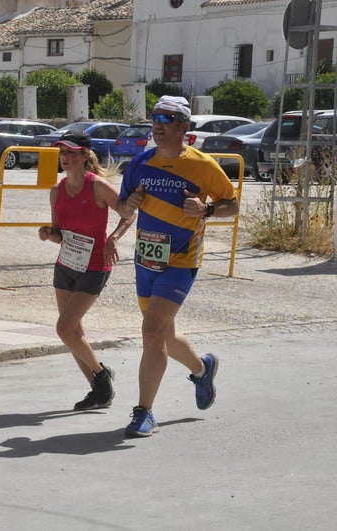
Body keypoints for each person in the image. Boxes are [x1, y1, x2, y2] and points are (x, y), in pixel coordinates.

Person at [116, 96, 239, 437]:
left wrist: (208, 211)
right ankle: (202, 370)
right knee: (164, 334)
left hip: (182, 259)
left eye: (167, 118)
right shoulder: (140, 163)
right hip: (146, 259)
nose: (158, 123)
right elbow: (123, 208)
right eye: (155, 116)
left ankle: (144, 413)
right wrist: (131, 203)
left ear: (183, 126)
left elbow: (232, 205)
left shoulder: (203, 165)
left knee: (152, 331)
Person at [38, 132, 134, 411]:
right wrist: (47, 233)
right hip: (66, 264)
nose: (65, 158)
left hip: (94, 265)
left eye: (70, 153)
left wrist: (113, 238)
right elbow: (59, 233)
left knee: (64, 329)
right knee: (73, 332)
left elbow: (128, 213)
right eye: (62, 154)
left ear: (84, 156)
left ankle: (102, 377)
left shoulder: (98, 187)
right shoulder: (56, 191)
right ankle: (98, 389)